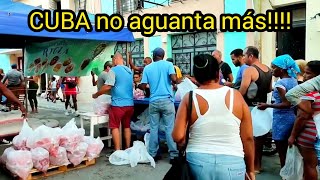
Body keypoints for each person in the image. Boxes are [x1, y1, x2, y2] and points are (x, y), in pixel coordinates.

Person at [172, 54, 255, 180]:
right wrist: (250, 170)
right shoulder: (236, 96)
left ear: (196, 76)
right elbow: (248, 138)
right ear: (218, 73)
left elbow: (178, 136)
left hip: (197, 161)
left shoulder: (189, 98)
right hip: (233, 161)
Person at [138, 47, 181, 163]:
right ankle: (173, 155)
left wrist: (139, 86)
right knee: (169, 128)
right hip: (167, 101)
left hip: (154, 101)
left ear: (154, 55)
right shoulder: (168, 65)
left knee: (153, 128)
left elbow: (143, 85)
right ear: (163, 55)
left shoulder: (148, 68)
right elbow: (173, 79)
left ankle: (153, 154)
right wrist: (176, 80)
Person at [257, 54, 299, 168]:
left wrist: (268, 105)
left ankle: (285, 173)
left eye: (273, 67)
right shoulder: (294, 81)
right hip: (293, 117)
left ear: (281, 69)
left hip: (281, 119)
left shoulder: (281, 84)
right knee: (291, 150)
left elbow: (286, 103)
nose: (271, 70)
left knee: (282, 151)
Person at [239, 46, 272, 173]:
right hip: (263, 107)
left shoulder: (249, 70)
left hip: (251, 107)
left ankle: (251, 168)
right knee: (260, 139)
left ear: (251, 56)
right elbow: (269, 89)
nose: (243, 58)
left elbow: (242, 90)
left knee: (249, 138)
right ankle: (258, 165)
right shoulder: (268, 69)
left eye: (244, 55)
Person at [92, 52, 134, 150]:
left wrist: (97, 94)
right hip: (130, 104)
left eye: (113, 60)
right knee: (127, 126)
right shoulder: (129, 70)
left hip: (118, 105)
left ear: (115, 59)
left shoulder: (113, 70)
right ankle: (127, 148)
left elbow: (108, 86)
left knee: (114, 127)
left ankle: (117, 151)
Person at [288, 61, 320, 180]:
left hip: (309, 133)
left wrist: (292, 135)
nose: (305, 76)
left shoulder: (307, 92)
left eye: (308, 73)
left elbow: (302, 116)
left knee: (310, 165)